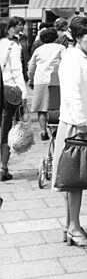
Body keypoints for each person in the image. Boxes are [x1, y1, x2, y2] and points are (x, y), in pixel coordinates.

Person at [51, 16, 87, 248]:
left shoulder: (84, 58)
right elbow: (72, 93)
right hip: (78, 125)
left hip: (85, 122)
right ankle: (73, 228)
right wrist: (82, 124)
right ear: (77, 37)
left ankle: (70, 225)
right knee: (74, 181)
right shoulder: (72, 58)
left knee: (77, 181)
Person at [0, 18, 28, 181]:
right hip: (9, 90)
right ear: (8, 30)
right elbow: (17, 71)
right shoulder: (12, 46)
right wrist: (24, 93)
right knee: (7, 128)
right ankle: (3, 167)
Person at [27, 27, 66, 141]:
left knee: (42, 107)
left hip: (41, 80)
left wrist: (31, 80)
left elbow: (31, 67)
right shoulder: (61, 48)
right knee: (58, 106)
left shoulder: (38, 50)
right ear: (55, 37)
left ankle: (43, 131)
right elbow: (65, 62)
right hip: (56, 80)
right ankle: (56, 129)